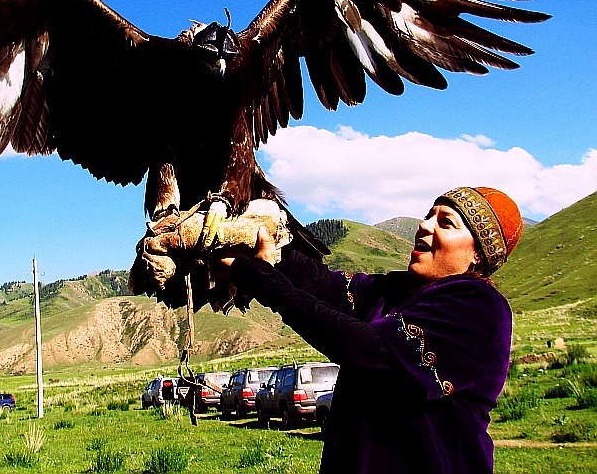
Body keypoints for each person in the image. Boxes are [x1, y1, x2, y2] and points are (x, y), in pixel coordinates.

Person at [217, 186, 523, 474]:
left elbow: (369, 349)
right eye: (429, 215)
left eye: (446, 222)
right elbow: (320, 284)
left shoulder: (478, 305)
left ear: (477, 255)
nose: (425, 225)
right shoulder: (395, 290)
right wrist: (258, 239)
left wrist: (259, 279)